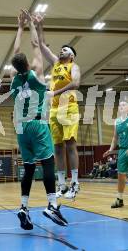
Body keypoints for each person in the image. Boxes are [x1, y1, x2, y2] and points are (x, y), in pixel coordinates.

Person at [10, 10, 68, 230]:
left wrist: (19, 27)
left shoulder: (13, 79)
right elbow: (35, 44)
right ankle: (52, 204)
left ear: (14, 67)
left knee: (29, 168)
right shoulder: (37, 75)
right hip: (37, 124)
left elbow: (15, 51)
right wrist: (32, 24)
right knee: (48, 162)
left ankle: (23, 207)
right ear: (29, 65)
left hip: (21, 129)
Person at [34, 14, 81, 199]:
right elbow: (42, 45)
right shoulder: (55, 64)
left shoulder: (74, 67)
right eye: (60, 50)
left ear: (71, 55)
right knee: (58, 147)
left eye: (64, 50)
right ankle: (62, 185)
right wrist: (40, 25)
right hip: (54, 110)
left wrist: (55, 93)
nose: (61, 51)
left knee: (70, 144)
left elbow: (76, 84)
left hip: (68, 106)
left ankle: (75, 183)